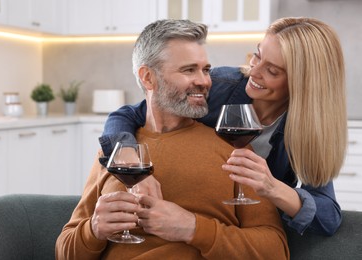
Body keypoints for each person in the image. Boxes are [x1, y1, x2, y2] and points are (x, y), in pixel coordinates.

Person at [56, 19, 289, 259]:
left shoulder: (233, 150)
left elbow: (276, 251)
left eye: (206, 69)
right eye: (189, 70)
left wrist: (193, 228)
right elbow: (65, 252)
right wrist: (93, 230)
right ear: (148, 78)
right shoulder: (117, 152)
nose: (204, 81)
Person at [99, 17, 347, 236]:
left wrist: (272, 188)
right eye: (257, 56)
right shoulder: (219, 86)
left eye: (271, 70)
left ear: (302, 83)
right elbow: (127, 114)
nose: (254, 72)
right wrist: (129, 158)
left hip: (247, 227)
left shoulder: (309, 127)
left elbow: (328, 218)